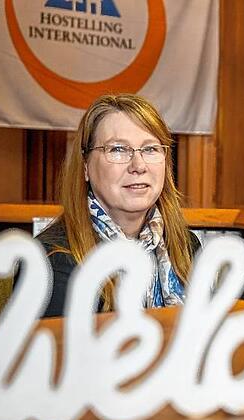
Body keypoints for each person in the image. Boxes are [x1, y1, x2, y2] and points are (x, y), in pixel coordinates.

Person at [31, 94, 200, 317]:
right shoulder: (52, 260)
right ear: (85, 166)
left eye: (150, 149)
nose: (138, 166)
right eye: (118, 149)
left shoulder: (187, 246)